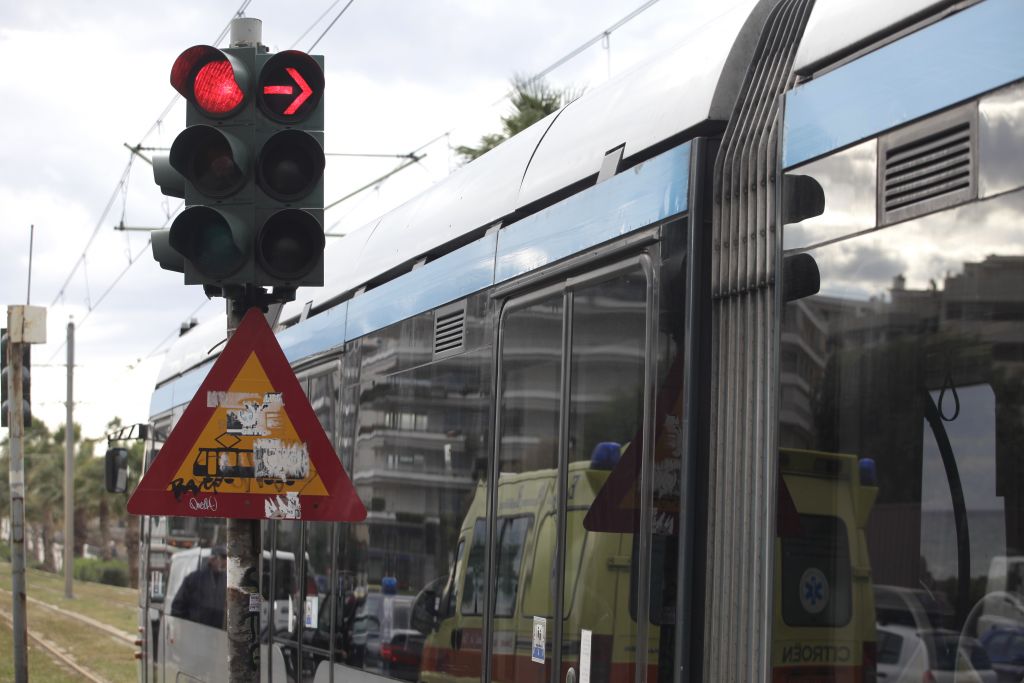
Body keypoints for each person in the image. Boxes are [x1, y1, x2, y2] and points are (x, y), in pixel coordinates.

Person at [171, 545, 227, 628]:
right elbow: (178, 607)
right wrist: (184, 627)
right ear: (212, 559)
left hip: (219, 635)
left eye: (227, 558)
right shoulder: (194, 579)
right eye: (222, 557)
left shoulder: (228, 582)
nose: (225, 561)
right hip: (196, 633)